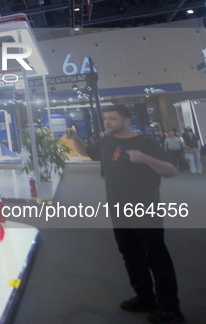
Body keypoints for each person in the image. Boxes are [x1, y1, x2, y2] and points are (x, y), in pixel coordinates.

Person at [67, 105, 184, 324]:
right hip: (118, 210)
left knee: (157, 257)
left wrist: (145, 159)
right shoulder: (106, 141)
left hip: (144, 209)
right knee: (130, 255)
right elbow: (86, 152)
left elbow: (171, 171)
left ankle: (171, 308)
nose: (107, 122)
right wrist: (75, 139)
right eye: (105, 118)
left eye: (112, 118)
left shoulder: (145, 143)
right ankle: (144, 297)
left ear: (127, 120)